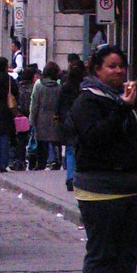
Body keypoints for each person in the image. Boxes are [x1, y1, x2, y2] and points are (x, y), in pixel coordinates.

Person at [68, 43, 137, 273]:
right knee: (103, 255)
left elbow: (126, 135)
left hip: (135, 188)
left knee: (128, 256)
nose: (118, 71)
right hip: (101, 190)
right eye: (111, 67)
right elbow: (95, 137)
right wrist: (122, 108)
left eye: (121, 67)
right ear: (97, 70)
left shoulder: (126, 99)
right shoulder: (87, 101)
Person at [58, 59, 85, 190]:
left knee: (69, 150)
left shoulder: (65, 87)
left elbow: (59, 104)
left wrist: (58, 117)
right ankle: (77, 178)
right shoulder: (82, 88)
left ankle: (70, 177)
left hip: (67, 120)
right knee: (79, 149)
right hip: (79, 120)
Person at [30, 60, 62, 170]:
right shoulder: (58, 87)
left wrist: (32, 120)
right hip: (55, 116)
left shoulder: (39, 87)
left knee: (41, 142)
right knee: (55, 140)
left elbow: (35, 105)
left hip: (41, 116)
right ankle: (57, 161)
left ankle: (41, 163)